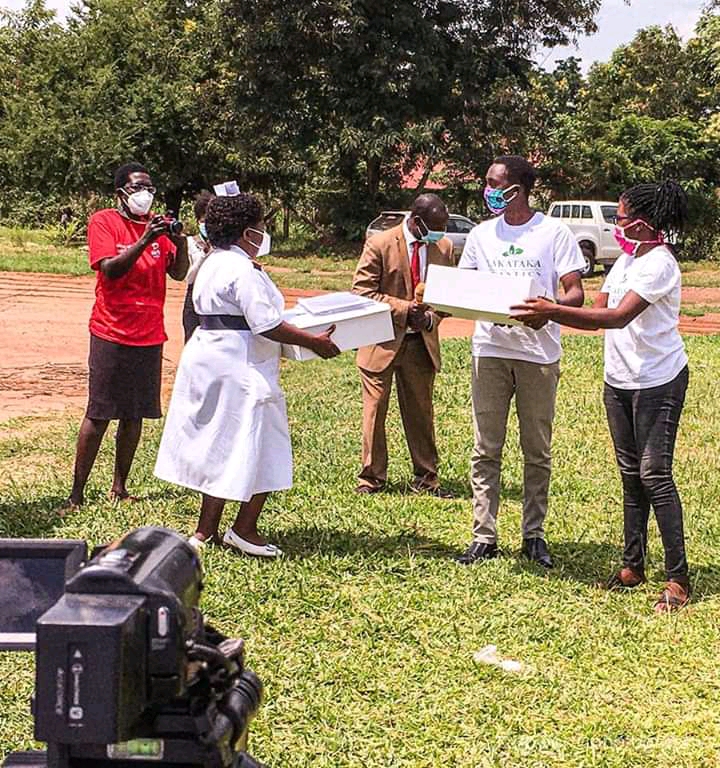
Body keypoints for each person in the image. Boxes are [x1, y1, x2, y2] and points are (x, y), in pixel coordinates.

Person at [512, 181, 691, 612]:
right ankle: (633, 566)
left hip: (658, 380)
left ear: (643, 223)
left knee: (654, 475)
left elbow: (614, 316)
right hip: (621, 380)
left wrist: (552, 311)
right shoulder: (628, 260)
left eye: (622, 218)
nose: (618, 225)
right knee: (631, 475)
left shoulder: (660, 264)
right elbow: (600, 302)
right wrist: (558, 308)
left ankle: (678, 578)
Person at [154, 193, 340, 557]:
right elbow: (267, 324)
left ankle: (205, 531)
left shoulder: (212, 262)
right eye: (260, 228)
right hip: (241, 367)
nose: (263, 233)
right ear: (246, 233)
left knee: (220, 446)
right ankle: (244, 528)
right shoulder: (242, 270)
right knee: (262, 445)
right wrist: (313, 342)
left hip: (210, 358)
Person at [456, 155, 585, 567]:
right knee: (485, 447)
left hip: (538, 353)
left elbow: (575, 294)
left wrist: (548, 309)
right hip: (490, 351)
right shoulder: (480, 235)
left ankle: (534, 535)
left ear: (518, 187)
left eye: (495, 182)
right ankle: (484, 535)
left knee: (537, 450)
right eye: (487, 182)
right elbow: (466, 288)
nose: (488, 189)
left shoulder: (553, 232)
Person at [60, 162, 188, 512]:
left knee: (135, 414)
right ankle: (76, 493)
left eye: (149, 187)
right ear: (121, 194)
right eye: (137, 188)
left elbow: (178, 273)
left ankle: (120, 486)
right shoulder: (104, 221)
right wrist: (146, 239)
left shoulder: (157, 227)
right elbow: (110, 269)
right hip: (111, 331)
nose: (144, 194)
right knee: (99, 412)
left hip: (149, 334)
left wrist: (178, 240)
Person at [351, 194, 455, 496]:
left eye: (444, 227)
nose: (441, 233)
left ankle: (427, 478)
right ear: (416, 221)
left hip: (421, 344)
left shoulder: (444, 247)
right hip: (380, 342)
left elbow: (448, 296)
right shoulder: (380, 243)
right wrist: (404, 309)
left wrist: (431, 319)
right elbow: (362, 292)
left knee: (421, 414)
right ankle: (371, 479)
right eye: (436, 227)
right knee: (375, 413)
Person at [182, 190, 215, 342]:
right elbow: (188, 278)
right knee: (192, 340)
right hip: (194, 296)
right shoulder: (190, 243)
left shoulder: (225, 246)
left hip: (215, 296)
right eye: (204, 220)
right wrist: (204, 255)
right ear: (198, 220)